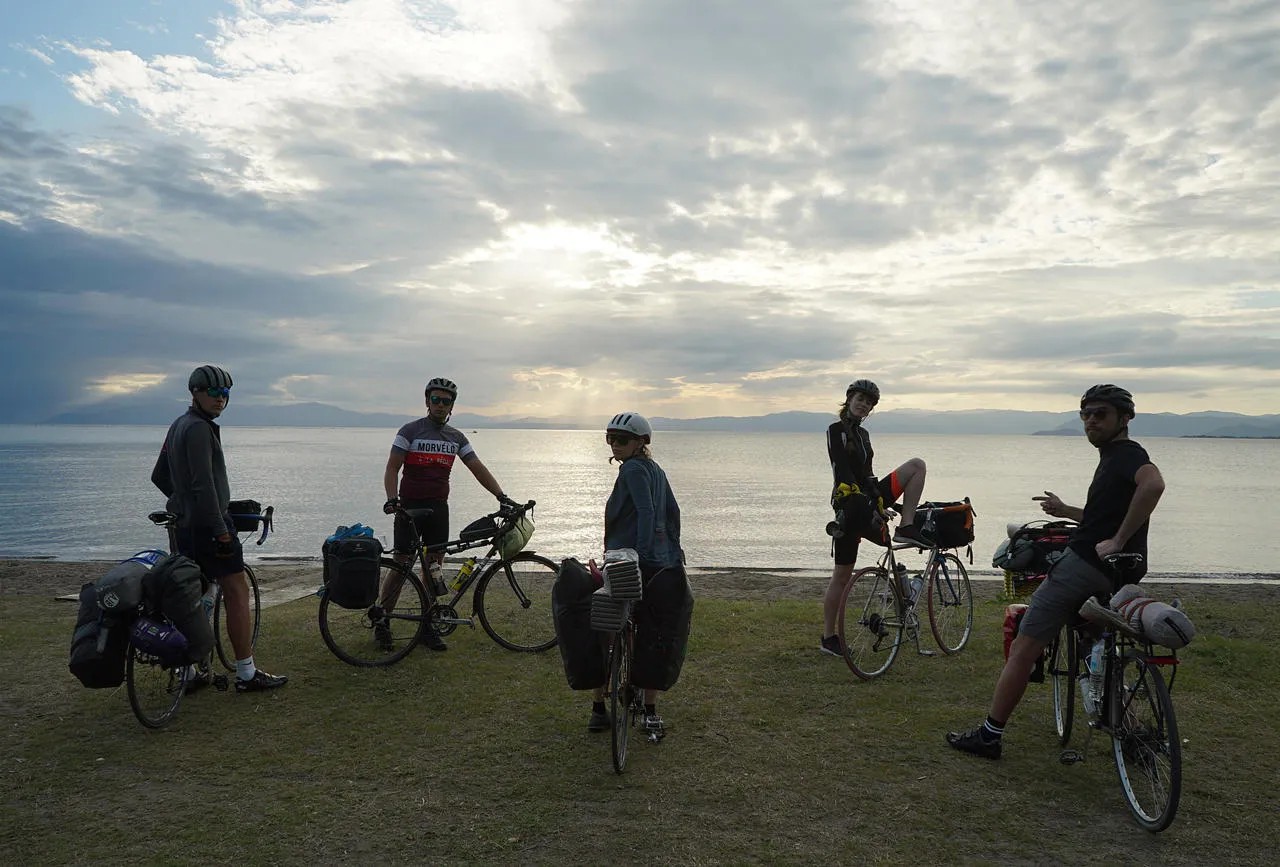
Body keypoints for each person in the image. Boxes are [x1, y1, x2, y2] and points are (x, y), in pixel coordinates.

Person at [947, 384, 1165, 759]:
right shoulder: (1115, 457)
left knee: (1023, 647)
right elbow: (1102, 517)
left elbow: (1155, 485)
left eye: (1101, 414)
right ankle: (1131, 732)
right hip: (1122, 573)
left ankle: (989, 735)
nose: (1091, 421)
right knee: (1098, 647)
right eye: (1086, 415)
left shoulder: (1127, 455)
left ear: (1125, 419)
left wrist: (1117, 538)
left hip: (1083, 568)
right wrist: (1067, 512)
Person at [150, 365, 288, 693]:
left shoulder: (178, 425)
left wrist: (180, 502)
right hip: (210, 526)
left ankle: (189, 671)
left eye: (225, 393)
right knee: (238, 592)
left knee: (194, 594)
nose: (220, 399)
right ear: (194, 392)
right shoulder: (199, 428)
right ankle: (246, 672)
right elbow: (204, 486)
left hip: (185, 526)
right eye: (213, 392)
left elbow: (160, 476)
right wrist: (221, 531)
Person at [380, 377, 517, 651]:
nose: (441, 405)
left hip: (438, 509)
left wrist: (501, 496)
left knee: (434, 566)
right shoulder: (410, 431)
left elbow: (477, 467)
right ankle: (382, 620)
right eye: (436, 400)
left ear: (452, 405)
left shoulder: (456, 437)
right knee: (402, 562)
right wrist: (391, 499)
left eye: (446, 401)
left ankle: (427, 624)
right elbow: (392, 467)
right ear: (427, 401)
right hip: (409, 507)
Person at [588, 412, 687, 735]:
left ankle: (598, 708)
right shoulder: (655, 470)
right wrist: (672, 550)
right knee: (652, 632)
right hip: (662, 563)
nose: (615, 445)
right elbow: (673, 513)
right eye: (610, 439)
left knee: (606, 625)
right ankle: (650, 708)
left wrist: (642, 554)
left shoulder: (632, 469)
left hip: (629, 561)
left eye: (622, 440)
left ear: (641, 442)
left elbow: (645, 512)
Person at [819, 379, 928, 656]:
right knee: (841, 576)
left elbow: (868, 475)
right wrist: (870, 506)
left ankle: (907, 525)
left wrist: (880, 503)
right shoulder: (836, 431)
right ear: (849, 399)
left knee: (916, 466)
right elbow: (841, 471)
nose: (863, 404)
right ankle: (829, 637)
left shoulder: (864, 435)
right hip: (849, 507)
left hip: (867, 500)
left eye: (868, 402)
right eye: (860, 399)